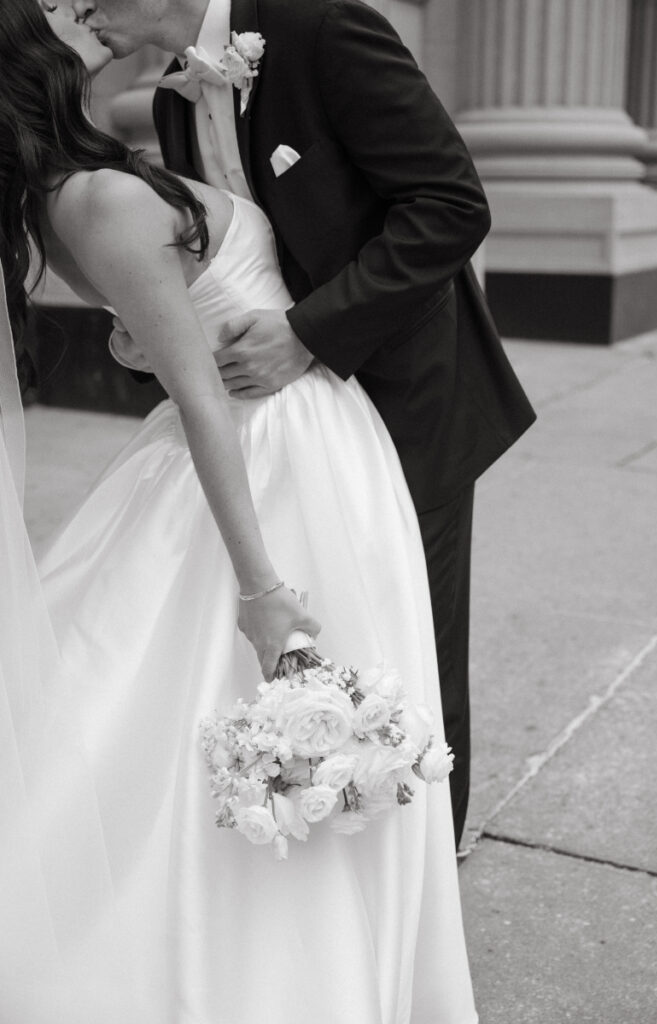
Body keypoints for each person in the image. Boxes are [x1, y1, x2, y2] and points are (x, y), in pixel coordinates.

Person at [0, 2, 478, 1021]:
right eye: (57, 14)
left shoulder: (294, 39)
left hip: (365, 403)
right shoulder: (105, 184)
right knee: (308, 682)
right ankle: (309, 953)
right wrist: (261, 586)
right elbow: (195, 372)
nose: (77, 7)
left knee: (377, 671)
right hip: (271, 449)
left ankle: (371, 925)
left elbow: (445, 202)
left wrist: (285, 330)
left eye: (86, 1)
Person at [77, 0, 537, 847]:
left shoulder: (323, 29)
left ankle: (429, 876)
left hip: (407, 396)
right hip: (285, 422)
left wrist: (308, 334)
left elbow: (448, 204)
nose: (74, 9)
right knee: (334, 626)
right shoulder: (178, 98)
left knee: (418, 651)